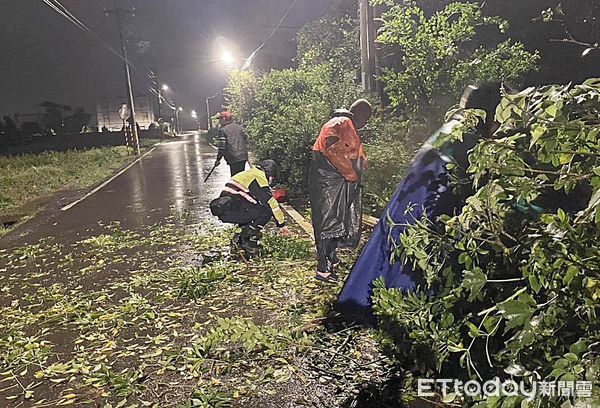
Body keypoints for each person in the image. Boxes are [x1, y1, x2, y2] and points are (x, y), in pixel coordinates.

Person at [336, 83, 506, 318]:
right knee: (423, 253)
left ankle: (376, 300)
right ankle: (410, 306)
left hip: (413, 195)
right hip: (433, 197)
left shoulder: (453, 127)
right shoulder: (470, 136)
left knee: (397, 244)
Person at [309, 99, 373, 283]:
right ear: (360, 114)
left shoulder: (344, 124)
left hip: (332, 181)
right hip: (328, 182)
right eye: (366, 118)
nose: (365, 123)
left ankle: (331, 258)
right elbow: (334, 149)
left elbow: (353, 150)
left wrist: (361, 162)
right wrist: (350, 172)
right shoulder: (342, 123)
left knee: (336, 220)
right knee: (328, 223)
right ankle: (324, 270)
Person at [210, 159, 292, 258]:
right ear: (269, 173)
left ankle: (239, 238)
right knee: (266, 211)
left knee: (254, 207)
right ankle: (248, 240)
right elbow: (271, 203)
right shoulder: (258, 177)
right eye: (272, 178)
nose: (271, 181)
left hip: (227, 211)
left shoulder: (249, 173)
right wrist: (282, 225)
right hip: (234, 211)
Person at [215, 111, 249, 176]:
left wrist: (218, 159)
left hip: (233, 157)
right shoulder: (239, 127)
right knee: (241, 176)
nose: (219, 121)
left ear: (224, 119)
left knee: (235, 178)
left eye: (220, 119)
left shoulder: (223, 130)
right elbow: (246, 138)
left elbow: (222, 147)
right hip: (243, 156)